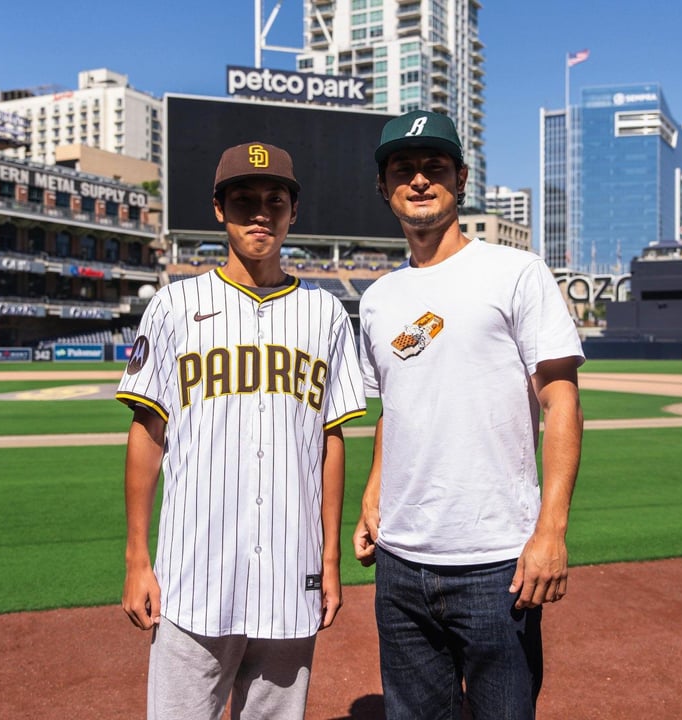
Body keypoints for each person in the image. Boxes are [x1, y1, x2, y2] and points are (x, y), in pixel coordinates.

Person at [117, 141, 366, 720]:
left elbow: (332, 440)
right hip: (192, 574)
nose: (260, 213)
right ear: (218, 209)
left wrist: (329, 559)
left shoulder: (326, 313)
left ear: (293, 211)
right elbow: (147, 432)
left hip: (291, 572)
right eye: (243, 200)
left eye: (274, 200)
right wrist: (136, 556)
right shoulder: (175, 306)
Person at [353, 110, 585, 719]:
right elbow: (392, 409)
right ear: (384, 187)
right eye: (404, 169)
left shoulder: (515, 272)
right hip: (400, 565)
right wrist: (373, 495)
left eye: (435, 167)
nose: (420, 180)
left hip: (495, 564)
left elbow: (561, 398)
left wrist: (551, 531)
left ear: (460, 176)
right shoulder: (377, 299)